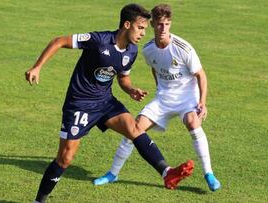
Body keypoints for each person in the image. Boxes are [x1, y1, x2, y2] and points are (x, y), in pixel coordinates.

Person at [25, 4, 194, 203]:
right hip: (80, 104)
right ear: (127, 24)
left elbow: (123, 79)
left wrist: (131, 89)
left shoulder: (131, 51)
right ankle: (39, 201)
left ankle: (167, 172)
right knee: (65, 158)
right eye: (140, 28)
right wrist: (37, 67)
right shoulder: (98, 40)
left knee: (134, 128)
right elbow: (59, 41)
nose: (142, 34)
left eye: (145, 30)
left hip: (105, 102)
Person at [93, 4, 221, 192]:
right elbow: (155, 66)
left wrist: (202, 102)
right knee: (134, 128)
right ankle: (113, 173)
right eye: (160, 24)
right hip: (163, 99)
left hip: (187, 98)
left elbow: (201, 75)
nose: (163, 28)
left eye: (167, 24)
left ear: (170, 24)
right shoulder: (147, 49)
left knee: (193, 123)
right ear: (153, 24)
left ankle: (209, 174)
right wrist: (159, 87)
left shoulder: (183, 48)